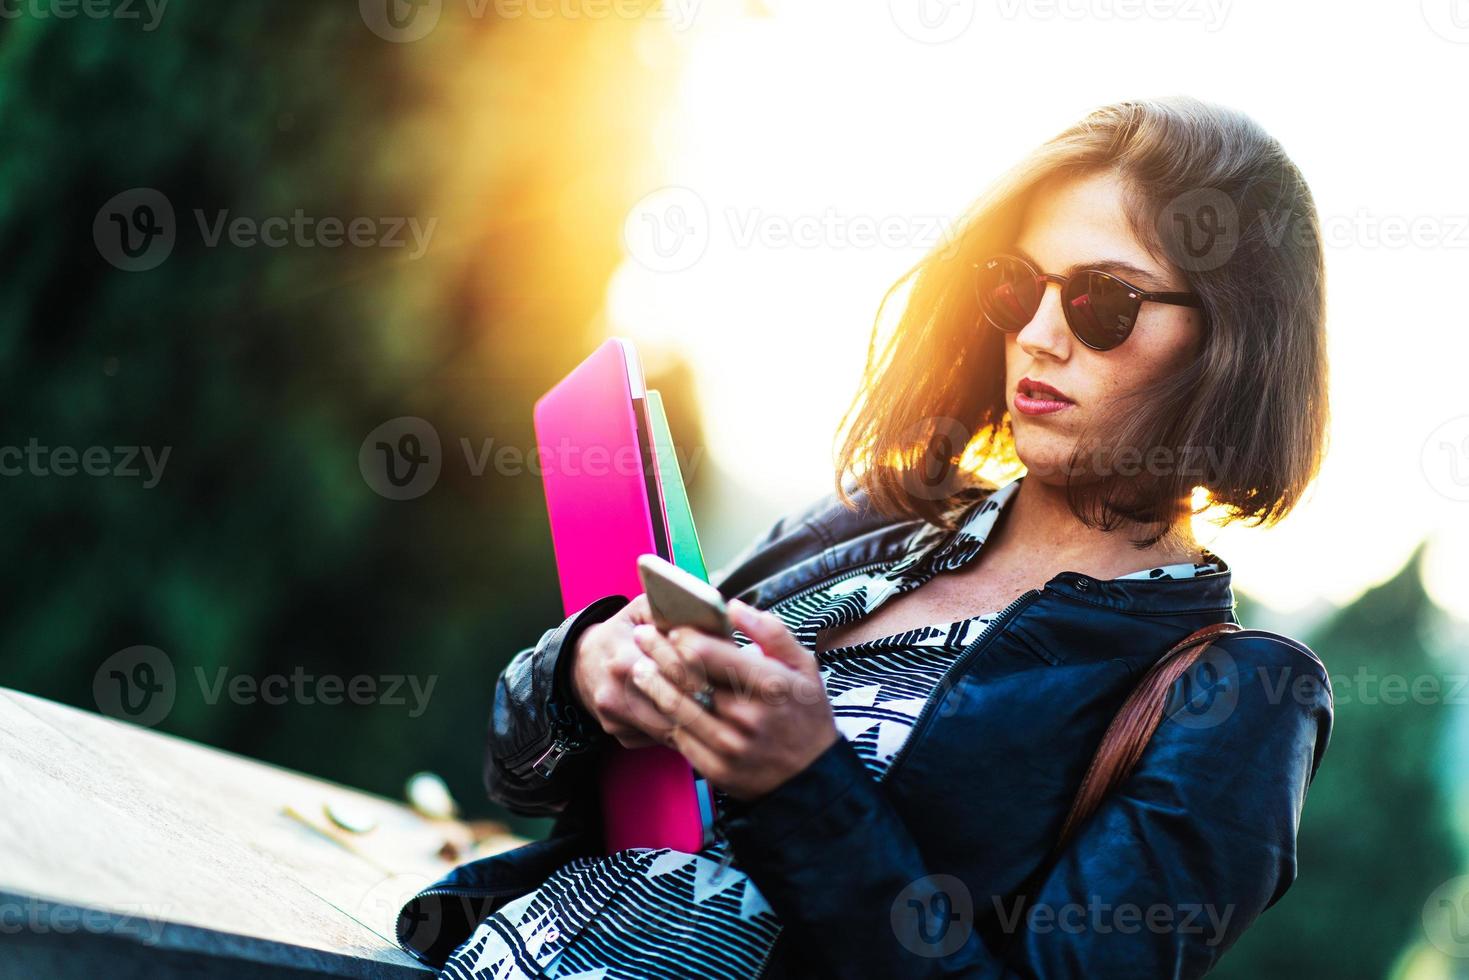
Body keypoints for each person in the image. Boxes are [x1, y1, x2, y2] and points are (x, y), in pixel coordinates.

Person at [400, 95, 1333, 979]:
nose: (1041, 336)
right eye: (1016, 287)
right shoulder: (874, 518)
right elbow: (517, 772)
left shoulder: (1241, 703)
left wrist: (805, 787)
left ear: (1231, 341)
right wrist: (583, 670)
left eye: (1104, 302)